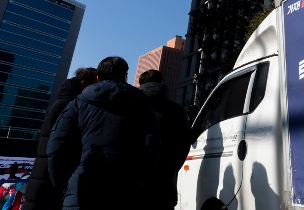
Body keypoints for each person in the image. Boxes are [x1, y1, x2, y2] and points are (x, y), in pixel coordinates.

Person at [47, 56, 158, 210]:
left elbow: (56, 146)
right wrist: (140, 182)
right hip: (126, 190)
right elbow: (152, 148)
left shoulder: (78, 102)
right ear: (125, 76)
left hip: (82, 189)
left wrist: (64, 185)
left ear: (98, 77)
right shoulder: (144, 105)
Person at [23, 68, 97, 210]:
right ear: (83, 84)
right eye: (93, 85)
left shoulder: (63, 102)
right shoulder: (70, 106)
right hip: (50, 179)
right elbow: (58, 147)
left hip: (46, 175)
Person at [138, 70, 191, 210]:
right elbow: (185, 143)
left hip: (135, 181)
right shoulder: (177, 110)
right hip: (166, 182)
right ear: (161, 83)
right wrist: (172, 167)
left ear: (141, 84)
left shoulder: (132, 107)